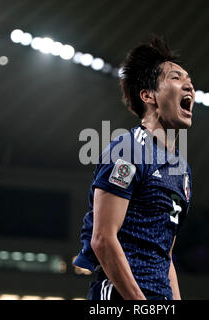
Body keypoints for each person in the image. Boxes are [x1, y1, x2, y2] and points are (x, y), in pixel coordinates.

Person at [73, 35, 194, 300]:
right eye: (176, 77)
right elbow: (103, 239)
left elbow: (166, 255)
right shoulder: (127, 151)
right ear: (148, 95)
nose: (190, 86)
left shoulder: (182, 172)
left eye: (190, 80)